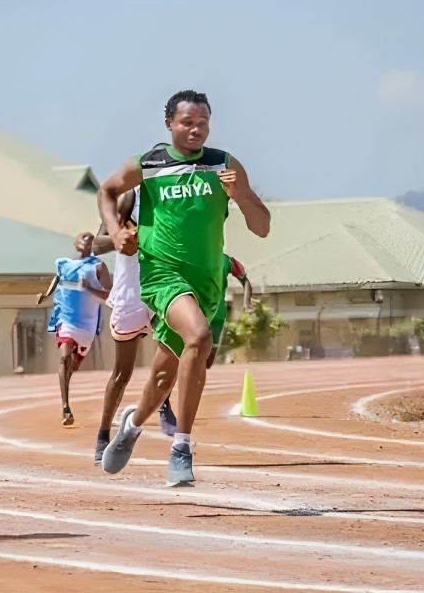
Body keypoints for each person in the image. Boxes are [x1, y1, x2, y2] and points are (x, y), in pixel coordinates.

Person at [98, 90, 269, 486]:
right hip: (161, 274)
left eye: (203, 123)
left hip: (206, 281)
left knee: (163, 376)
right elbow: (107, 190)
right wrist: (115, 229)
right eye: (188, 122)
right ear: (169, 124)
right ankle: (182, 447)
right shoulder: (149, 164)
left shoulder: (222, 165)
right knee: (200, 336)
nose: (196, 130)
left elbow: (260, 227)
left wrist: (240, 195)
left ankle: (133, 424)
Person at [86, 183, 176, 466]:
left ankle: (164, 404)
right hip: (131, 293)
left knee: (174, 353)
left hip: (165, 288)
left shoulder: (180, 198)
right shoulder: (132, 196)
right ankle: (103, 434)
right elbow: (94, 245)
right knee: (122, 373)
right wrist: (119, 237)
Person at [37, 233, 111, 426]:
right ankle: (66, 407)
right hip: (65, 317)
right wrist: (45, 295)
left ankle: (67, 384)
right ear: (75, 243)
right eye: (82, 238)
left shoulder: (98, 266)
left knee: (73, 365)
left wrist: (88, 288)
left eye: (90, 239)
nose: (86, 240)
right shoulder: (63, 264)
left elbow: (109, 294)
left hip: (86, 323)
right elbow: (57, 279)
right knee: (64, 357)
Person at [206, 254, 252, 369]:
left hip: (217, 315)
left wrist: (246, 304)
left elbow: (245, 281)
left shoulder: (227, 261)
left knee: (208, 361)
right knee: (191, 350)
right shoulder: (191, 255)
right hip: (195, 312)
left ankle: (196, 381)